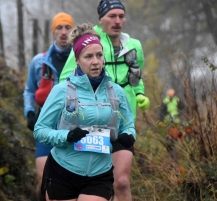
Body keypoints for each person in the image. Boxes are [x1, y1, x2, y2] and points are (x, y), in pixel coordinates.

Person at [34, 23, 136, 201]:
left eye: (99, 55)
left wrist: (128, 135)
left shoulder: (116, 91)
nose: (95, 61)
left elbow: (129, 125)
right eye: (88, 56)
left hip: (100, 172)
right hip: (63, 171)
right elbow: (40, 130)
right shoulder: (61, 90)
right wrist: (66, 136)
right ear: (77, 60)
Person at [59, 1, 149, 200]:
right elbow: (65, 79)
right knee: (98, 182)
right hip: (93, 122)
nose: (117, 21)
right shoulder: (90, 42)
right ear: (101, 18)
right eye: (112, 16)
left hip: (123, 122)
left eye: (121, 16)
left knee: (122, 182)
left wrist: (140, 94)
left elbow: (136, 76)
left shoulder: (134, 46)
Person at [23, 12, 74, 201]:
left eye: (67, 27)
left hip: (72, 124)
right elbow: (29, 91)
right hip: (46, 123)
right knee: (44, 179)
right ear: (53, 31)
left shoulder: (81, 59)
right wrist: (29, 113)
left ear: (72, 31)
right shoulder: (39, 61)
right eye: (59, 28)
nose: (63, 32)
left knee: (69, 179)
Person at [160, 88, 185, 161]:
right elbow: (162, 112)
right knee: (170, 138)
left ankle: (178, 150)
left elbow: (183, 109)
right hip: (168, 123)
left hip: (177, 122)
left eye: (172, 94)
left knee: (177, 136)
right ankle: (171, 152)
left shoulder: (177, 100)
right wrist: (161, 121)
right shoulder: (165, 102)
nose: (171, 96)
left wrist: (180, 115)